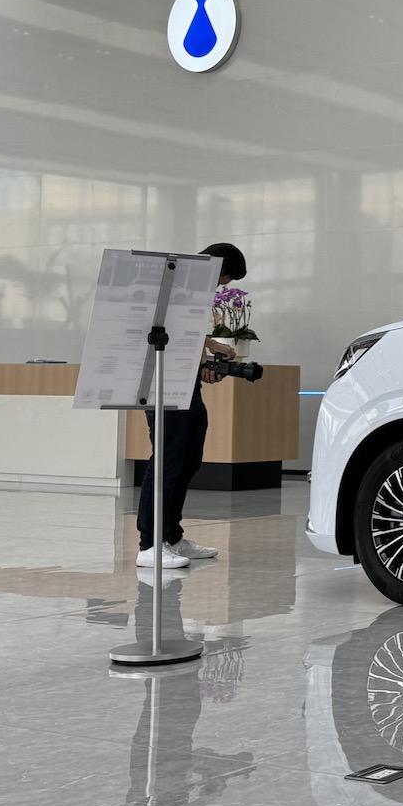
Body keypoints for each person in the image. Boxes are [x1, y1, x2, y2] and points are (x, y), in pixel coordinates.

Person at [137, 242, 246, 569]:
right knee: (166, 463)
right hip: (163, 384)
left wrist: (210, 354)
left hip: (188, 384)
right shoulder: (173, 289)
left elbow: (188, 335)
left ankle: (172, 537)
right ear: (215, 268)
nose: (222, 287)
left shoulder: (196, 294)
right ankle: (149, 545)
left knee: (188, 461)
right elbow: (163, 332)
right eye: (224, 279)